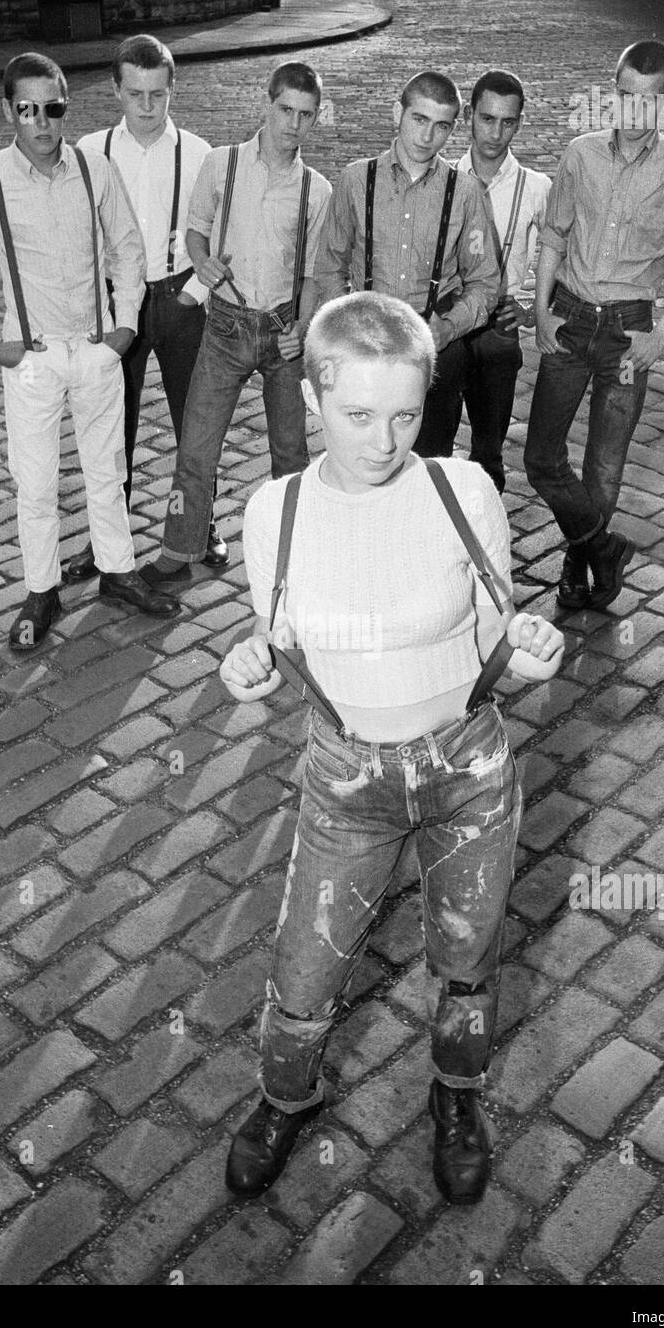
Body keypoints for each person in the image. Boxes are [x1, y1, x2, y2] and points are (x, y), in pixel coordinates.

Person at [218, 291, 564, 1205]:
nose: (385, 439)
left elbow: (499, 638)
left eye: (406, 413)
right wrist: (250, 670)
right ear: (313, 395)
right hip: (348, 779)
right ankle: (285, 1098)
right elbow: (286, 646)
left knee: (469, 952)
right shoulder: (274, 514)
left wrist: (529, 657)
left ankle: (457, 1097)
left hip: (468, 770)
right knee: (305, 966)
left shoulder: (464, 490)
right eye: (358, 415)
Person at [0, 52, 178, 650]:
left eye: (53, 109)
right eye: (28, 110)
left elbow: (128, 250)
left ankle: (117, 572)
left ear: (65, 109)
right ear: (9, 111)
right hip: (32, 357)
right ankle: (41, 589)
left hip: (95, 348)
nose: (42, 122)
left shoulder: (94, 168)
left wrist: (124, 329)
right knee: (35, 480)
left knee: (109, 470)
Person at [524, 40, 664, 610]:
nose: (635, 112)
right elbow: (554, 234)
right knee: (540, 458)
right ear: (614, 94)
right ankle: (604, 547)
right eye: (626, 97)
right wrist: (540, 311)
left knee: (604, 466)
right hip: (571, 318)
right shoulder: (580, 155)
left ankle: (578, 567)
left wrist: (661, 336)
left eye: (649, 101)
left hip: (629, 332)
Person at [136, 60, 331, 592]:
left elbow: (315, 276)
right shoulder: (222, 165)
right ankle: (180, 548)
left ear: (315, 120)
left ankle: (293, 557)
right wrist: (200, 261)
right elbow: (195, 234)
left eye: (306, 115)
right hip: (223, 328)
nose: (293, 124)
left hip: (283, 335)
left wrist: (305, 327)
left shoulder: (318, 191)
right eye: (285, 110)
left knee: (291, 453)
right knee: (197, 448)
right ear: (266, 105)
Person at [64, 35, 228, 585]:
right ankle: (105, 537)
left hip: (180, 295)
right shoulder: (90, 150)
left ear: (172, 88)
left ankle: (199, 528)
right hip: (118, 303)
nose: (147, 106)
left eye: (158, 94)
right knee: (112, 424)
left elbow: (218, 235)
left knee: (195, 423)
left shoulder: (201, 153)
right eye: (135, 94)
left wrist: (194, 296)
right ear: (116, 90)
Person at [314, 71, 500, 458]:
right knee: (362, 460)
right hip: (361, 346)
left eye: (441, 126)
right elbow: (329, 264)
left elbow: (485, 281)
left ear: (452, 130)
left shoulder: (465, 193)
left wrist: (449, 328)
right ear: (398, 112)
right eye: (419, 119)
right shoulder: (355, 179)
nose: (427, 136)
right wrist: (346, 324)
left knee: (427, 463)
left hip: (432, 350)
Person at [453, 69, 551, 494]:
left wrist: (533, 309)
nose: (496, 132)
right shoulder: (444, 177)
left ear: (520, 123)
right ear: (469, 116)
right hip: (445, 319)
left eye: (507, 122)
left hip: (498, 324)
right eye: (487, 118)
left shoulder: (537, 187)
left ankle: (485, 547)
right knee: (431, 445)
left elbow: (562, 254)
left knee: (489, 453)